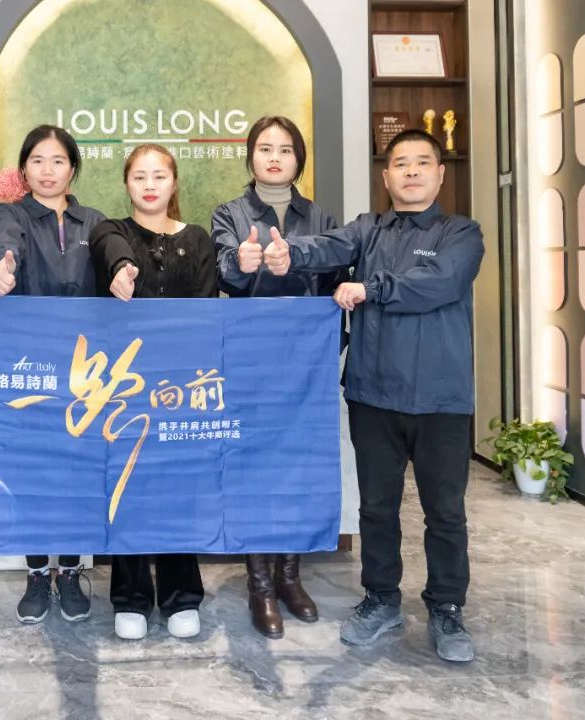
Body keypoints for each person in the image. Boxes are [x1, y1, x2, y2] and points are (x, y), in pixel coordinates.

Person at [263, 129, 484, 662]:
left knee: (445, 511)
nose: (411, 171)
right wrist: (287, 252)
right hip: (373, 396)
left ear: (439, 174)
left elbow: (439, 282)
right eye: (400, 163)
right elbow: (328, 246)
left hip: (441, 399)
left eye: (422, 162)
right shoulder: (369, 228)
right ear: (386, 177)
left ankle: (447, 607)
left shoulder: (461, 233)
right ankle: (381, 598)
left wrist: (370, 288)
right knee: (377, 509)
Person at [212, 115, 347, 639]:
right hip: (252, 359)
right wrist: (240, 263)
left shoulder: (320, 216)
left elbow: (334, 280)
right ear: (250, 156)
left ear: (298, 159)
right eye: (265, 148)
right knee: (253, 465)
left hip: (305, 363)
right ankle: (260, 583)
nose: (274, 157)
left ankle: (291, 576)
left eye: (285, 149)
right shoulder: (230, 213)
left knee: (299, 466)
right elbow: (218, 270)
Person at [88, 144, 216, 640]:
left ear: (174, 183)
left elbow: (205, 311)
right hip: (126, 388)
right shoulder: (112, 230)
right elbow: (107, 247)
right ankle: (131, 598)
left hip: (180, 386)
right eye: (139, 176)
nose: (149, 184)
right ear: (126, 183)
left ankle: (182, 595)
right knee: (128, 489)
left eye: (159, 175)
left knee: (179, 487)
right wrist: (122, 270)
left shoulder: (198, 239)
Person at [0, 124, 105, 625]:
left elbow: (113, 260)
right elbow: (3, 244)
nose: (47, 170)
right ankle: (36, 571)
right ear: (23, 169)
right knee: (31, 471)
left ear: (72, 168)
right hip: (28, 366)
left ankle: (71, 570)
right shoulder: (10, 214)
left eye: (57, 161)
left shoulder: (94, 221)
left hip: (83, 371)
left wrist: (124, 273)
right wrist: (3, 265)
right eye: (37, 160)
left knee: (76, 472)